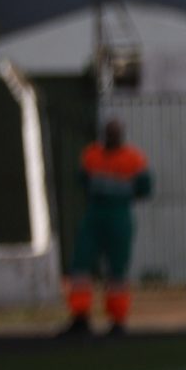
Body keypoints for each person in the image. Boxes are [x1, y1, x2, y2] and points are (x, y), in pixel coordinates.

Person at [62, 118, 151, 338]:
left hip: (119, 215)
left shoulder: (134, 159)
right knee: (80, 265)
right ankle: (80, 316)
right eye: (109, 133)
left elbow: (145, 187)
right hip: (95, 214)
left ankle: (117, 319)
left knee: (117, 270)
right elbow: (82, 179)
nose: (112, 137)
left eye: (116, 133)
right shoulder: (91, 155)